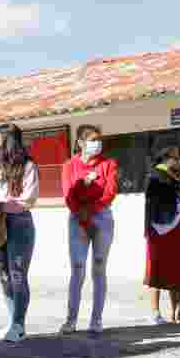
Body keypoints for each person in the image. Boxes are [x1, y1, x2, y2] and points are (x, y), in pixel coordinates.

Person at [0, 124, 40, 343]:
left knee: (17, 274)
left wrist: (0, 205)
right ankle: (12, 320)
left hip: (18, 222)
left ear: (10, 141)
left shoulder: (28, 166)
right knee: (3, 274)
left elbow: (28, 199)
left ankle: (19, 325)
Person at [59, 125, 118, 336]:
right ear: (81, 143)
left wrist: (92, 211)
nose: (97, 143)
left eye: (99, 139)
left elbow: (110, 192)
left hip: (102, 217)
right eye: (92, 139)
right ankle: (71, 320)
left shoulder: (108, 164)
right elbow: (68, 194)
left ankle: (96, 319)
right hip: (77, 218)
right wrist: (81, 214)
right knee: (77, 268)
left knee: (99, 268)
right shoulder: (69, 165)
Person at [143, 145, 180, 324]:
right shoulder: (155, 176)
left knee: (177, 269)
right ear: (166, 158)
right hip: (160, 229)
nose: (179, 161)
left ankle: (177, 312)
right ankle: (155, 312)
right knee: (157, 269)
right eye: (176, 158)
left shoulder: (179, 177)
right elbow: (156, 202)